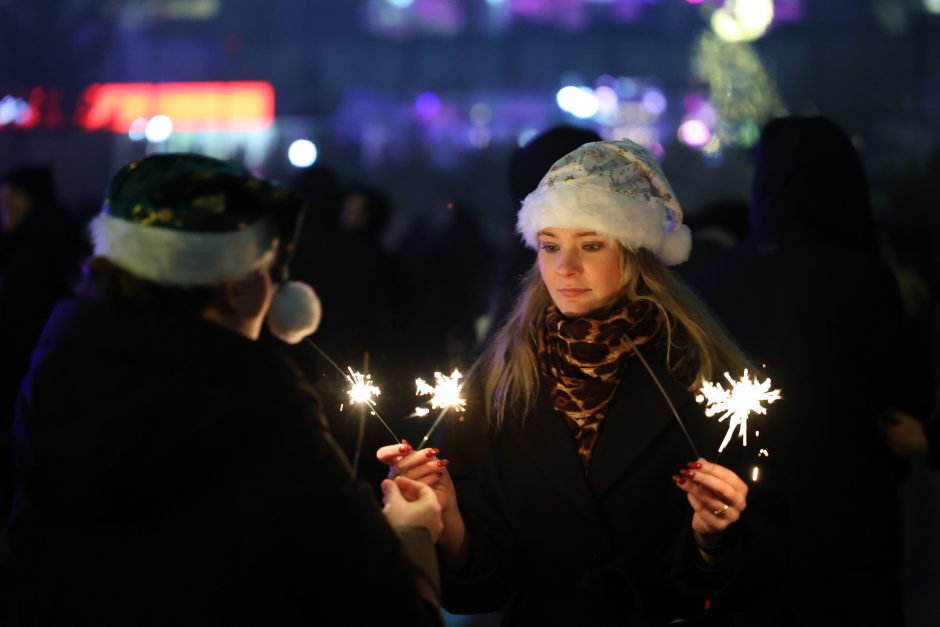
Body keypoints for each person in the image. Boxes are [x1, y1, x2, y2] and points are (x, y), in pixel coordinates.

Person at [10, 154, 444, 626]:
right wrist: (411, 535)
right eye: (267, 271)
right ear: (240, 288)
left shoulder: (56, 384)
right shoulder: (262, 416)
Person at [380, 140, 757, 625]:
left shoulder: (703, 376)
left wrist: (713, 539)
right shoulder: (499, 379)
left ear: (637, 251)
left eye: (592, 244)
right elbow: (484, 584)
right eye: (551, 245)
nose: (566, 268)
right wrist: (448, 520)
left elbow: (751, 571)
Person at [693, 116, 935, 626]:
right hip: (850, 519)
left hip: (745, 515)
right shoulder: (863, 277)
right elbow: (909, 393)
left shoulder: (716, 277)